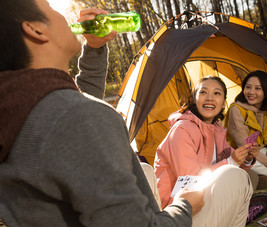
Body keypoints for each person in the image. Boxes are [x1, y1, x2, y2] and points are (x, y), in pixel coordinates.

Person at [0, 1, 205, 226]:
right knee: (229, 182)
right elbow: (78, 116)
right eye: (49, 6)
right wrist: (185, 205)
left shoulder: (20, 109)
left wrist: (94, 49)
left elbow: (73, 105)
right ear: (36, 30)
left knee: (144, 170)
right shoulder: (76, 117)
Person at [154, 75, 263, 226]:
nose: (209, 98)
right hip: (178, 212)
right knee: (237, 176)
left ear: (224, 102)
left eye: (217, 93)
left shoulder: (215, 130)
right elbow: (191, 181)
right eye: (203, 92)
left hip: (203, 200)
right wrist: (231, 162)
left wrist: (247, 157)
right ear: (194, 98)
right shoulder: (181, 130)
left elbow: (232, 157)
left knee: (246, 175)